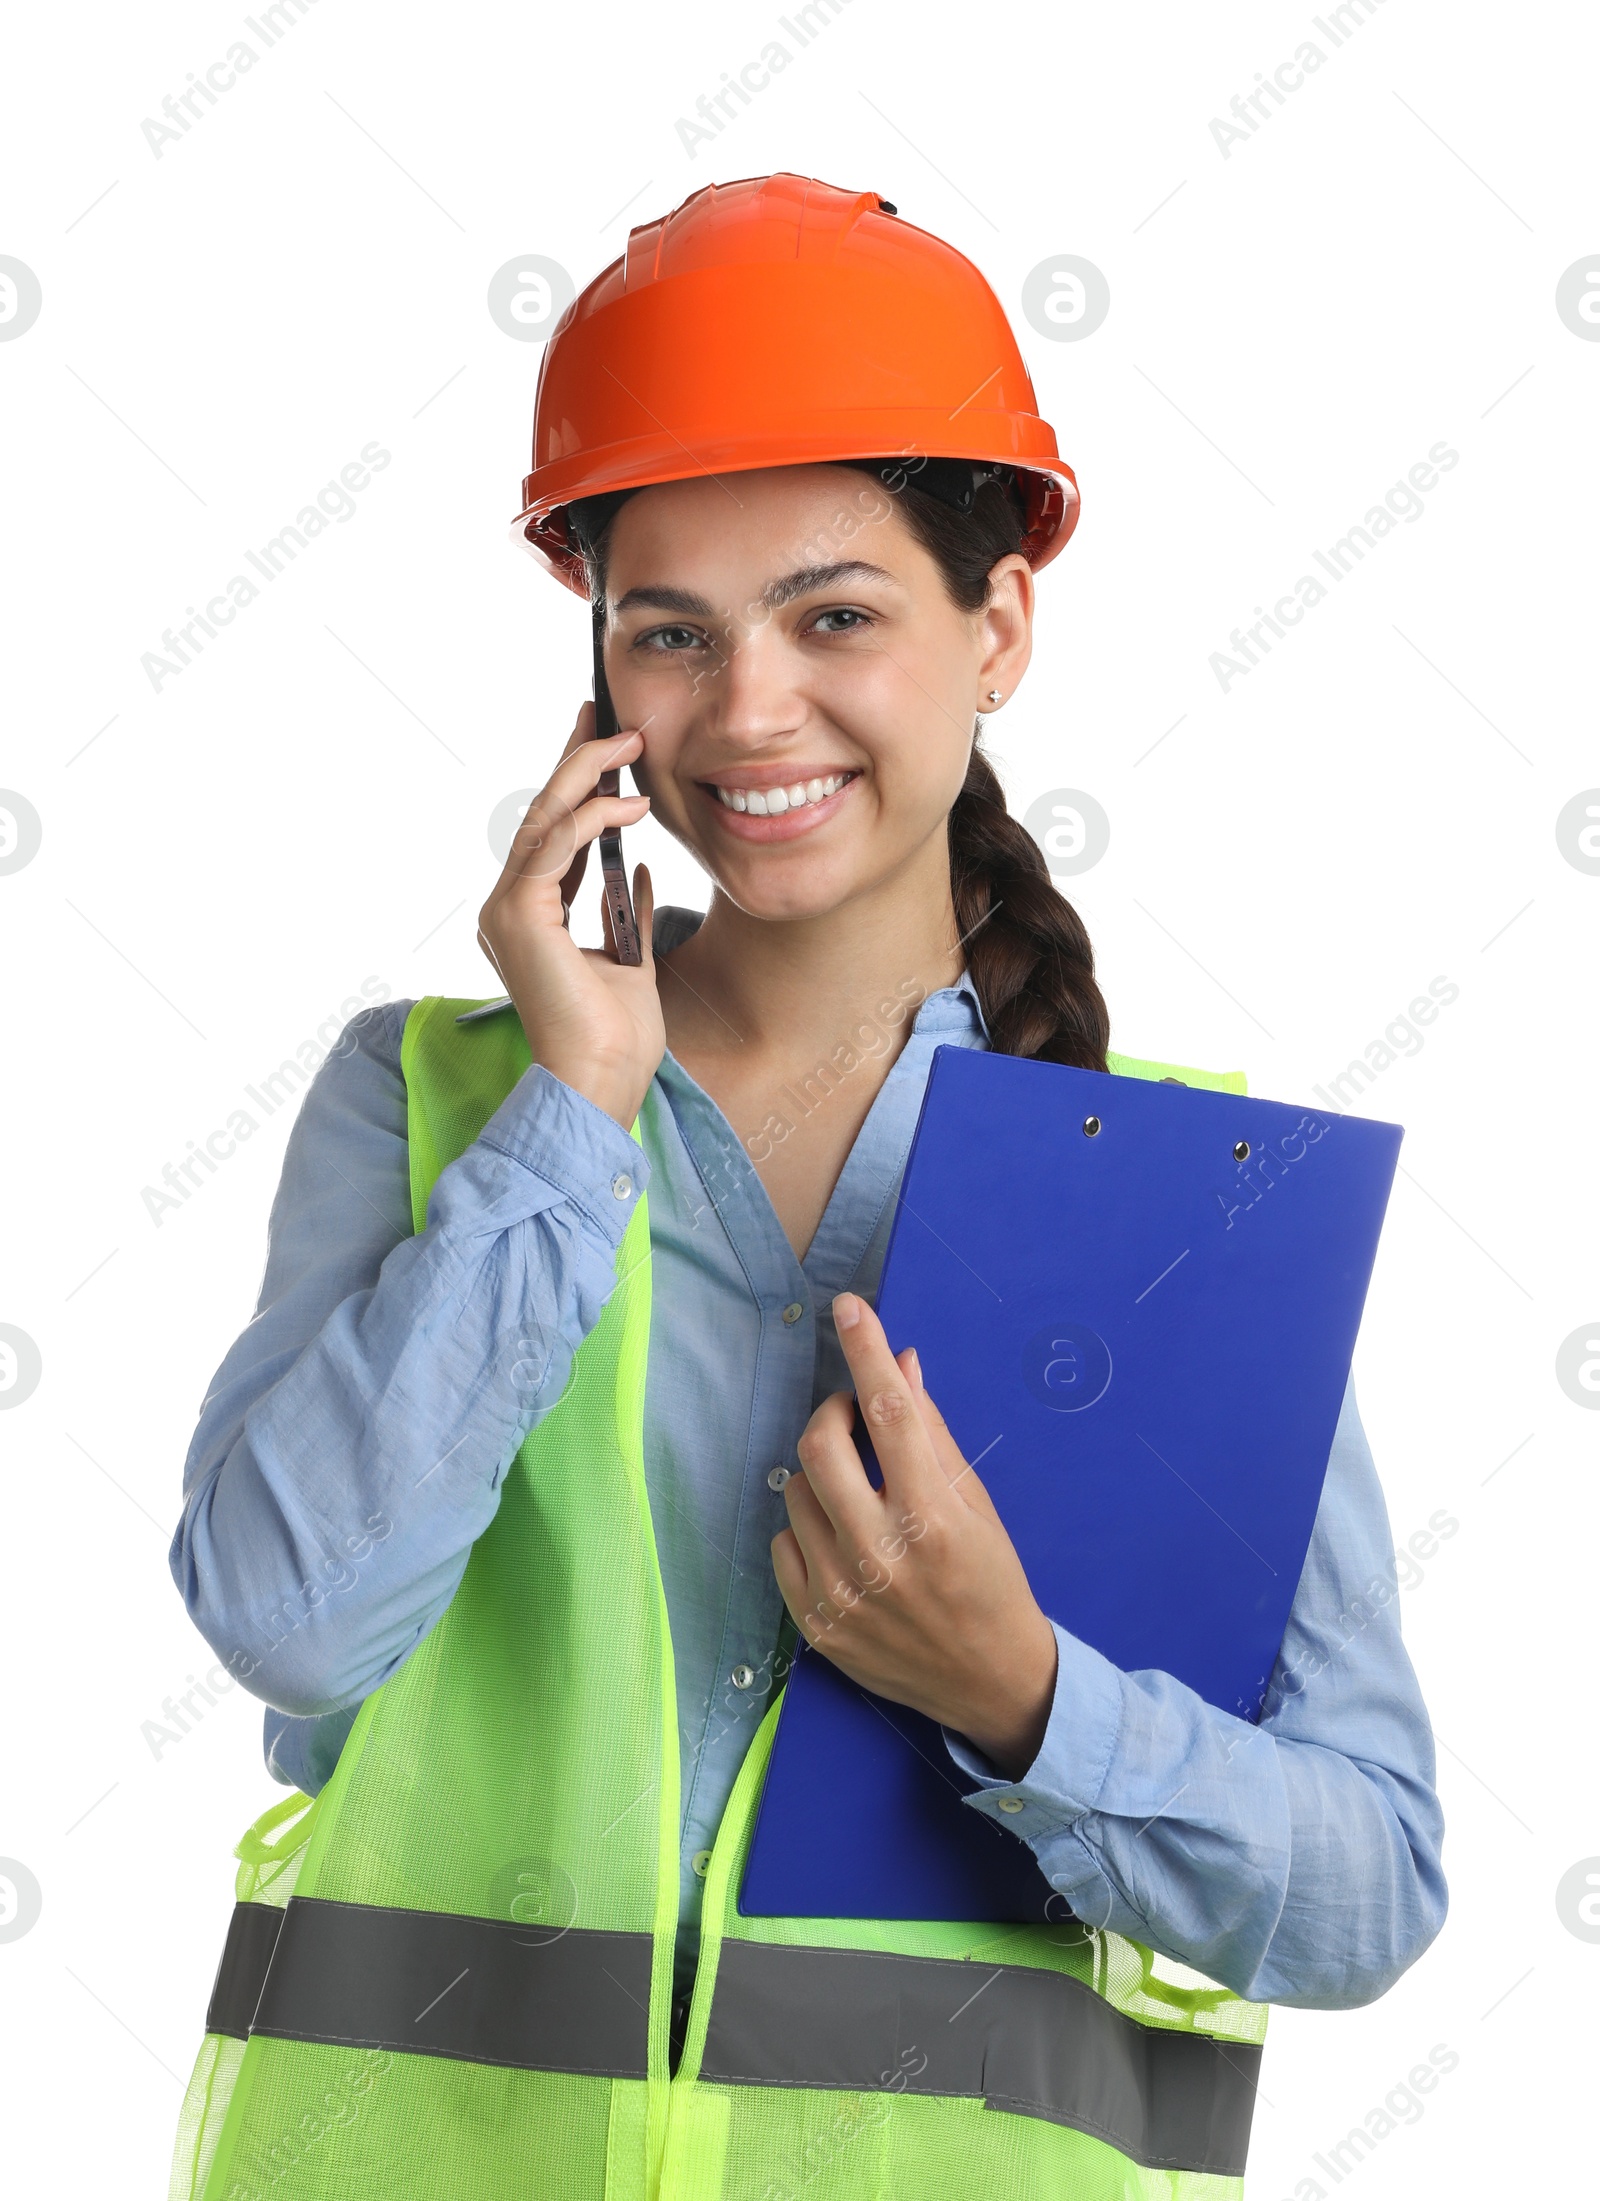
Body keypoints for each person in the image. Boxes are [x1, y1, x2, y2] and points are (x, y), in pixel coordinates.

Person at [166, 174, 1445, 2201]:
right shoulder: (427, 1106)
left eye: (833, 613)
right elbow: (290, 1622)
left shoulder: (1184, 1197)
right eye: (669, 633)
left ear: (996, 622)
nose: (746, 713)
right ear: (596, 675)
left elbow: (1368, 1883)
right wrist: (572, 1120)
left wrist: (1019, 1698)